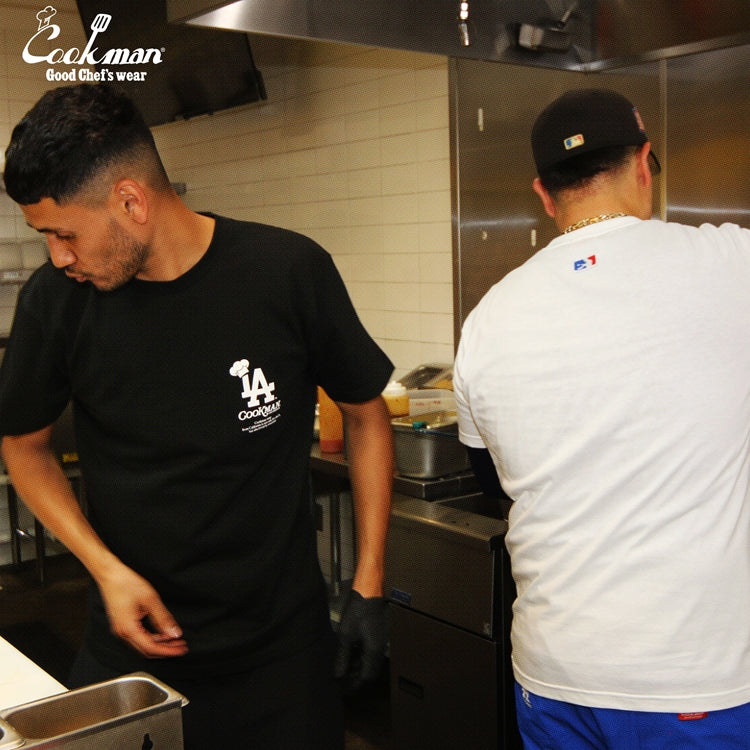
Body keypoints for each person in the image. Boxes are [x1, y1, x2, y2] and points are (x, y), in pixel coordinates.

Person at [0, 83, 394, 750]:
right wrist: (106, 569)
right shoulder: (55, 301)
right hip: (133, 653)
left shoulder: (286, 271)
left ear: (131, 201)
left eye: (64, 234)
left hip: (282, 658)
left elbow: (365, 414)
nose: (58, 257)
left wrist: (370, 584)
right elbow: (23, 444)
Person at [453, 88, 750, 749]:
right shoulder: (732, 263)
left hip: (553, 673)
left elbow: (492, 481)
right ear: (643, 163)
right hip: (691, 678)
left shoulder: (488, 317)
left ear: (543, 193)